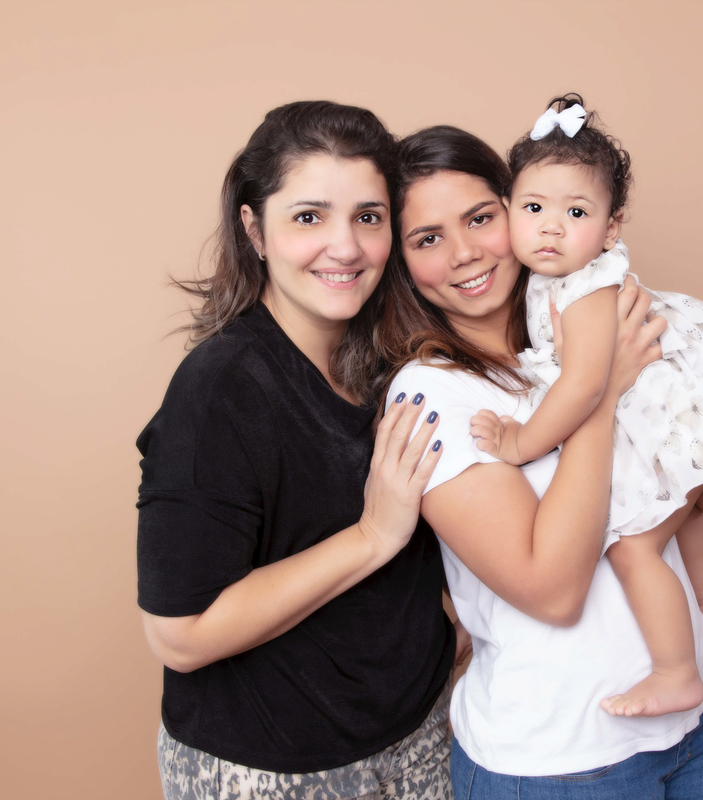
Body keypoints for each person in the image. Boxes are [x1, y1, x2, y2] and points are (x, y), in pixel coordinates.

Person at [376, 125, 703, 798]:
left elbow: (651, 508)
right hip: (561, 760)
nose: (464, 253)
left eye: (479, 218)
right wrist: (601, 396)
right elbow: (552, 591)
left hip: (690, 731)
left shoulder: (568, 331)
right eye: (427, 239)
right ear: (402, 263)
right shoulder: (432, 393)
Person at [135, 101, 462, 800]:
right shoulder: (219, 391)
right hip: (274, 771)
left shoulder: (398, 361)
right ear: (254, 228)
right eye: (309, 217)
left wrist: (692, 466)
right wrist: (373, 536)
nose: (344, 247)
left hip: (420, 741)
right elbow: (180, 635)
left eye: (368, 218)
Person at [470, 94, 703, 718]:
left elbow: (583, 386)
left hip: (662, 396)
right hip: (671, 401)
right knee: (677, 512)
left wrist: (520, 442)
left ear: (611, 227)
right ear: (509, 212)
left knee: (633, 548)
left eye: (575, 211)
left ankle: (676, 670)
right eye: (533, 208)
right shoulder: (551, 279)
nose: (550, 226)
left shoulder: (584, 287)